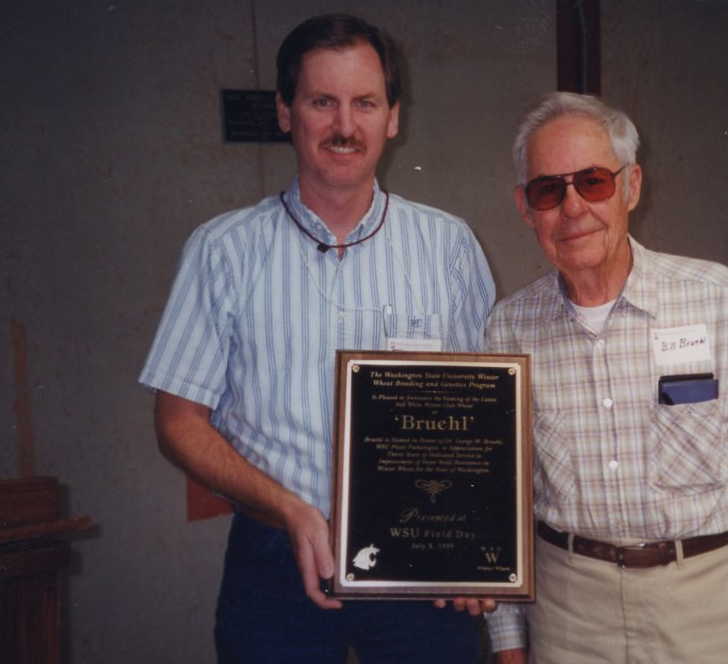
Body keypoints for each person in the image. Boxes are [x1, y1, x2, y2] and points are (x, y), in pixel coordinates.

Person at [139, 14, 496, 664]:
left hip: (425, 562)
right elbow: (178, 421)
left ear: (392, 116)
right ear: (286, 112)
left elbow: (485, 424)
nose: (344, 125)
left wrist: (478, 542)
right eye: (322, 102)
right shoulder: (223, 251)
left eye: (365, 103)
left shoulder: (448, 247)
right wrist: (289, 509)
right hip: (275, 558)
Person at [484, 92, 728, 664]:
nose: (572, 208)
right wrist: (508, 640)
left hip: (707, 609)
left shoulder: (718, 302)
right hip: (566, 618)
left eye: (592, 182)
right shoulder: (508, 330)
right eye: (549, 190)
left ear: (631, 186)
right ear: (525, 207)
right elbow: (497, 505)